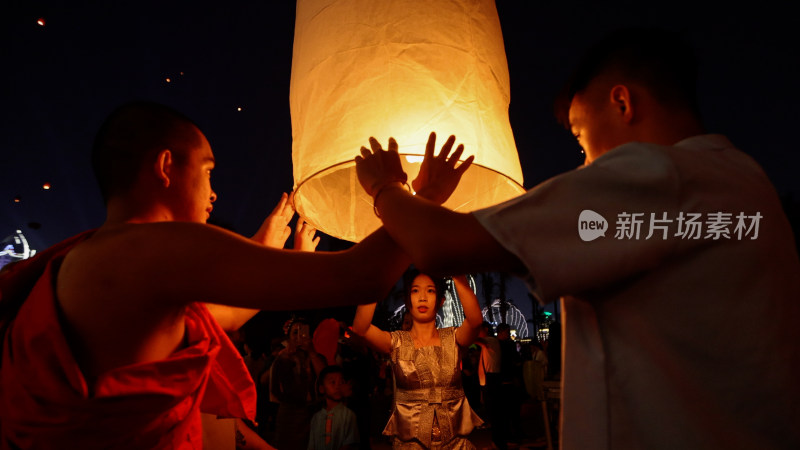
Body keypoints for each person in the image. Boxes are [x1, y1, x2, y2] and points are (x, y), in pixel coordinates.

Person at [354, 28, 800, 449]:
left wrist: (386, 188)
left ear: (622, 102)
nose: (585, 166)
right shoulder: (747, 183)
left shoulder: (650, 177)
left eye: (582, 139)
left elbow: (439, 245)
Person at [0, 101, 470, 448]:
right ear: (166, 167)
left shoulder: (95, 255)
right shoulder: (157, 245)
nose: (213, 194)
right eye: (207, 172)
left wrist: (269, 248)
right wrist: (414, 195)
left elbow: (215, 319)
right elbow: (364, 276)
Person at [352, 270, 483, 449]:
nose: (422, 297)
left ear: (440, 301)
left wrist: (457, 276)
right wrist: (376, 277)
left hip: (456, 444)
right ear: (407, 300)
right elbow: (361, 329)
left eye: (430, 291)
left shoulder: (453, 338)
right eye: (415, 291)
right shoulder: (396, 342)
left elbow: (475, 321)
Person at [270, 318, 326, 450]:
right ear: (288, 337)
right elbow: (275, 389)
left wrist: (311, 352)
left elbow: (325, 377)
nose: (299, 336)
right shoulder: (282, 359)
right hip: (290, 413)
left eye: (303, 332)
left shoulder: (316, 356)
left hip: (314, 412)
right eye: (295, 332)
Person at [308, 365, 359, 450]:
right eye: (333, 382)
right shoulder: (316, 417)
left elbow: (350, 444)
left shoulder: (348, 415)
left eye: (341, 382)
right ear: (322, 389)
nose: (337, 386)